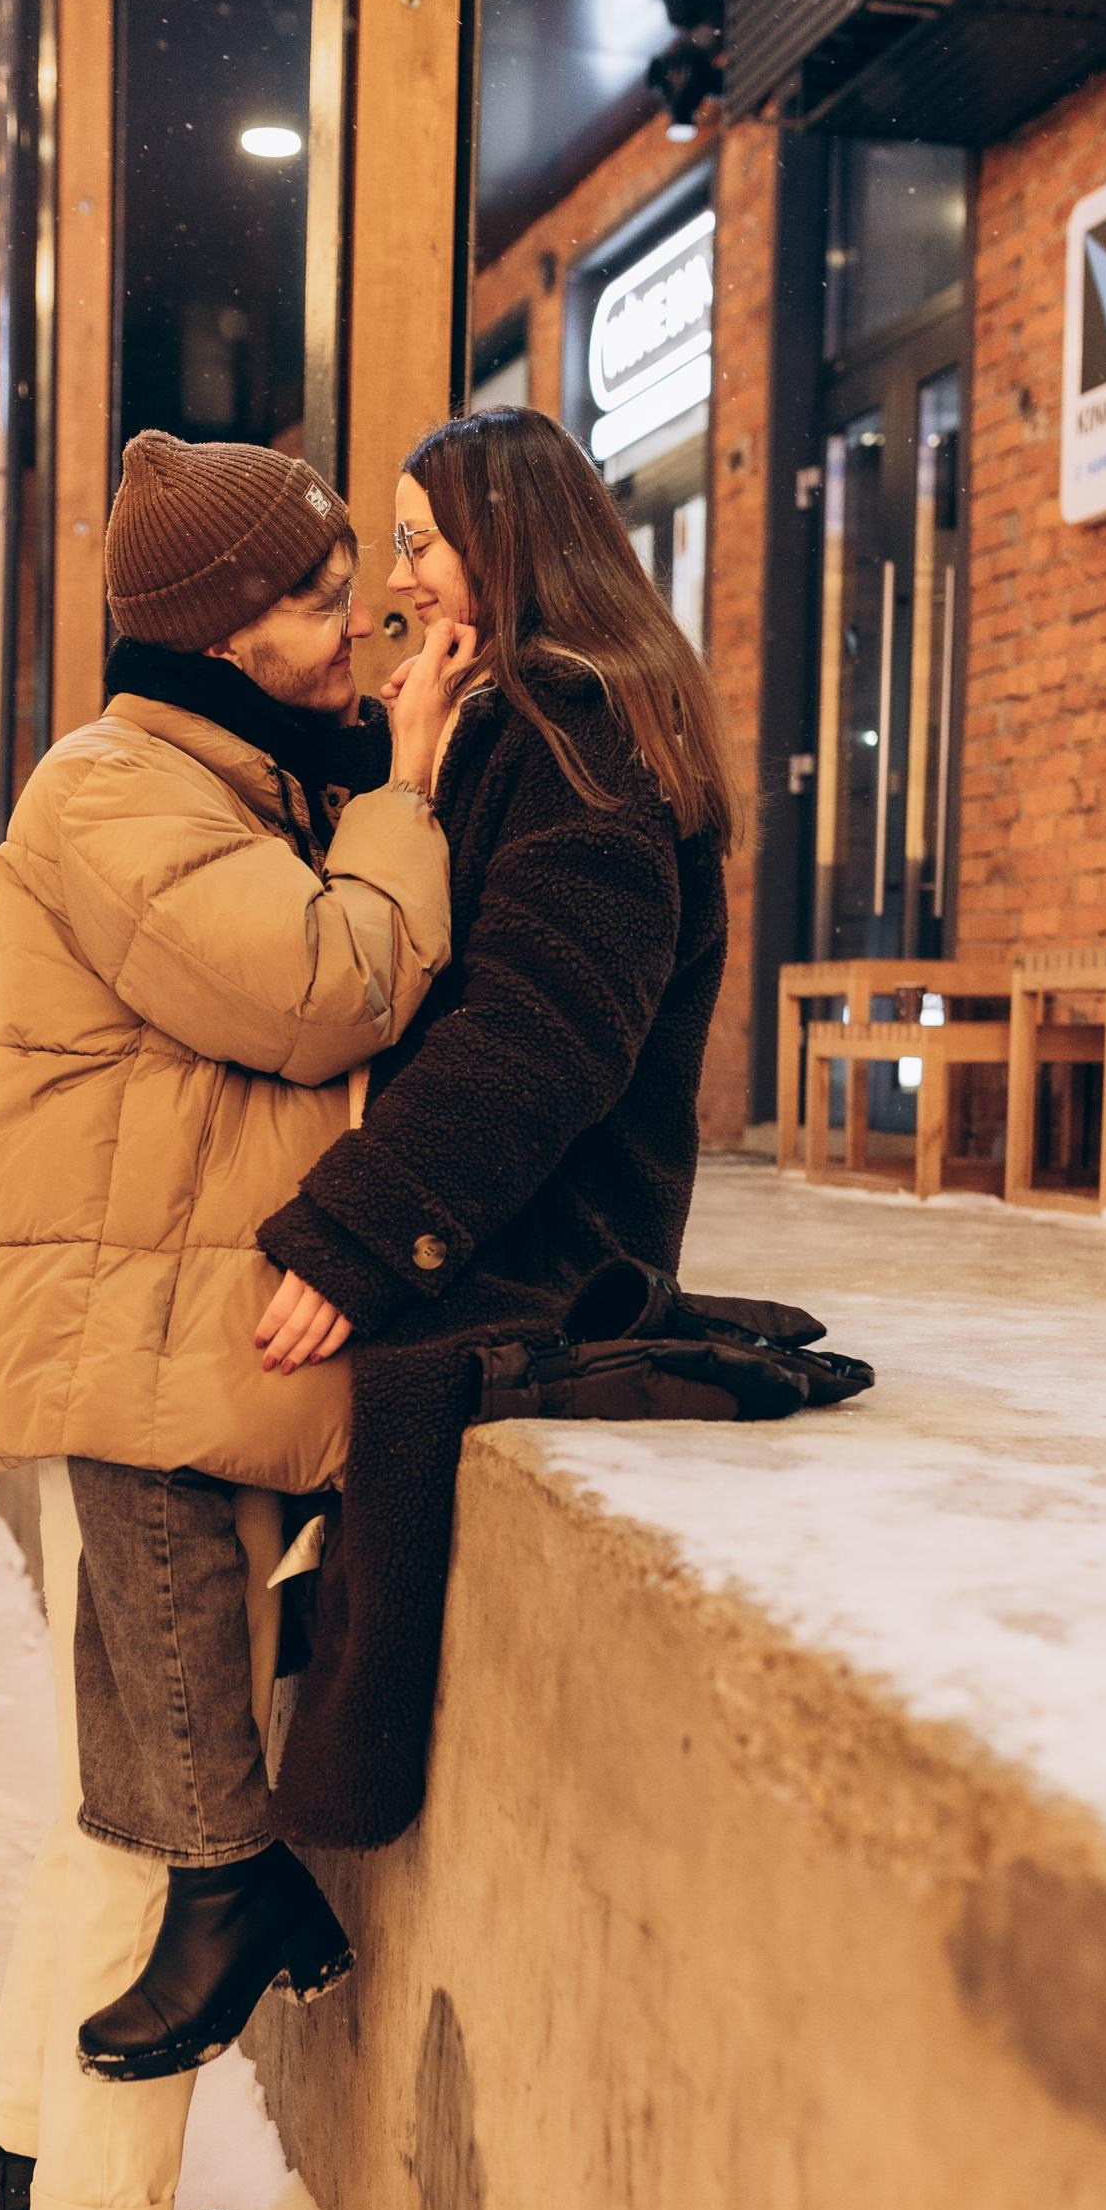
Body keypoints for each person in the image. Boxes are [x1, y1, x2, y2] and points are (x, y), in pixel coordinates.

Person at [0, 429, 468, 2210]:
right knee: (182, 1846)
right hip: (141, 1373)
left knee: (115, 1826)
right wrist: (409, 787)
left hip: (155, 1362)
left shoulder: (207, 780)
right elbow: (330, 989)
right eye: (327, 595)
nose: (365, 622)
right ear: (228, 627)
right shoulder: (116, 793)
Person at [247, 403, 735, 1852]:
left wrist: (360, 1234)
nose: (400, 582)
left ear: (507, 541)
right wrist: (408, 753)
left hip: (552, 1227)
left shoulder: (581, 728)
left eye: (421, 545)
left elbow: (546, 1025)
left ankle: (257, 1830)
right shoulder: (508, 717)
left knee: (265, 1373)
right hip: (501, 1197)